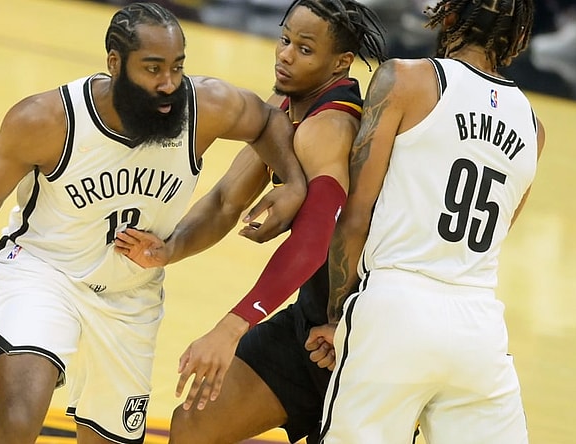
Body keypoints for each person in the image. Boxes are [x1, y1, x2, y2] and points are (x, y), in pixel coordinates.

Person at [0, 3, 308, 444]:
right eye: (152, 69)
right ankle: (22, 351)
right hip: (43, 272)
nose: (169, 84)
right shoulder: (46, 120)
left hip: (130, 294)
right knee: (19, 422)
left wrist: (290, 179)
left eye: (177, 67)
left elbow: (268, 119)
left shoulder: (205, 105)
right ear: (115, 63)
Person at [114, 1, 386, 442]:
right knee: (194, 425)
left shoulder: (331, 125)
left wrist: (231, 326)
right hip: (311, 325)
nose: (285, 55)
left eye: (304, 49)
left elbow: (316, 243)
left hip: (361, 339)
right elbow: (226, 200)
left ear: (341, 63)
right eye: (284, 41)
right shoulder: (282, 105)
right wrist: (170, 247)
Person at [309, 0, 546, 442]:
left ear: (449, 17)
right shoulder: (534, 128)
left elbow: (356, 214)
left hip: (396, 308)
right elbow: (496, 237)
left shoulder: (405, 78)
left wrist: (339, 315)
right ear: (519, 36)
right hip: (479, 327)